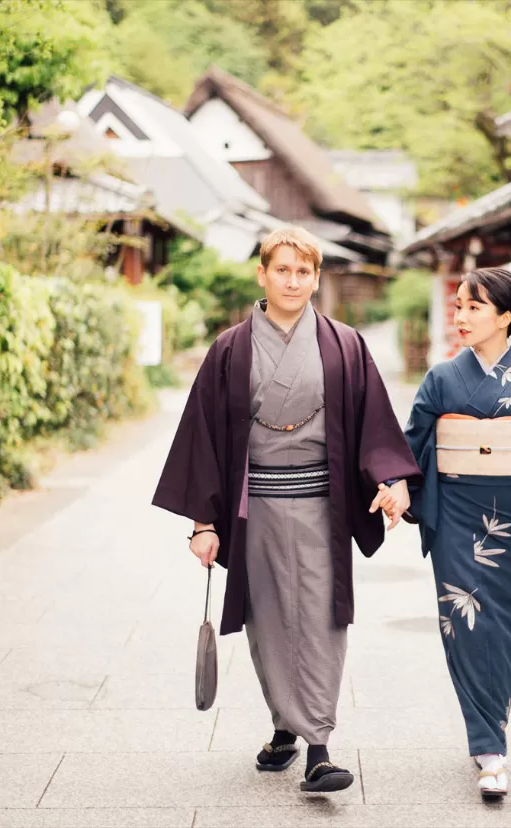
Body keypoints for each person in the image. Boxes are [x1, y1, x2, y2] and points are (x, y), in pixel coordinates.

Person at [153, 227, 420, 793]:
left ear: (316, 278)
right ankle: (284, 727)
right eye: (282, 270)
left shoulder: (345, 344)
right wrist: (204, 522)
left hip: (325, 507)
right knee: (268, 619)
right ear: (262, 274)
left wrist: (392, 478)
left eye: (304, 272)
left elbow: (375, 423)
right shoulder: (229, 349)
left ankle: (319, 747)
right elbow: (201, 437)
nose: (293, 281)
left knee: (323, 618)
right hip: (258, 508)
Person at [377, 267, 511, 801]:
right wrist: (398, 486)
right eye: (458, 306)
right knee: (465, 625)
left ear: (507, 317)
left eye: (475, 307)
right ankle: (491, 749)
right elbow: (409, 444)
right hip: (456, 514)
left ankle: (491, 717)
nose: (462, 316)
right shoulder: (442, 380)